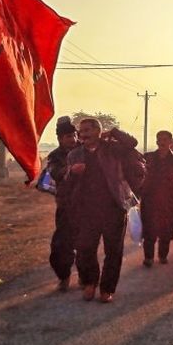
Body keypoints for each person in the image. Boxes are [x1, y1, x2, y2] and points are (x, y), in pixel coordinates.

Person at [64, 118, 141, 303]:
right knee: (84, 248)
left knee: (113, 251)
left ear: (98, 131)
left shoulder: (113, 149)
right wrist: (72, 172)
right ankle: (90, 282)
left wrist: (114, 132)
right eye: (81, 131)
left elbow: (132, 143)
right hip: (86, 210)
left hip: (114, 207)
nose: (83, 134)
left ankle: (107, 288)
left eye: (88, 130)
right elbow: (67, 182)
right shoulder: (74, 155)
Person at [140, 131, 173, 265]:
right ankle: (149, 257)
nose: (161, 142)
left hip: (170, 199)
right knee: (149, 228)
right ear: (156, 142)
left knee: (167, 229)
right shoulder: (148, 157)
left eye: (165, 139)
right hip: (150, 198)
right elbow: (138, 174)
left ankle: (163, 255)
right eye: (159, 139)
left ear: (170, 142)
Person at [42, 116, 79, 290]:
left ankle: (87, 278)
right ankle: (64, 277)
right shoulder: (55, 156)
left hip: (87, 205)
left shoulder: (85, 150)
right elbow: (55, 174)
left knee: (85, 244)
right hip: (66, 207)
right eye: (67, 137)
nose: (72, 139)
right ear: (60, 139)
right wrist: (71, 169)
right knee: (61, 245)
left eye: (73, 135)